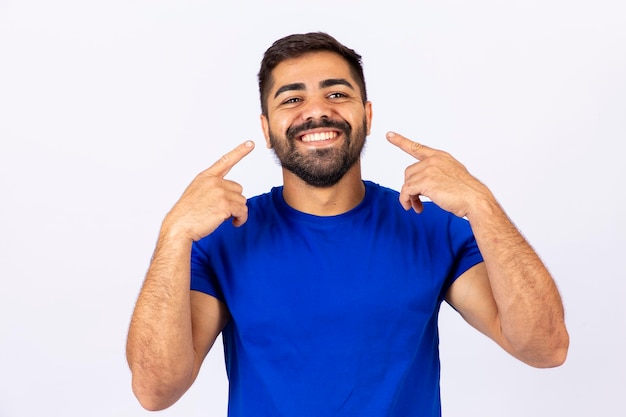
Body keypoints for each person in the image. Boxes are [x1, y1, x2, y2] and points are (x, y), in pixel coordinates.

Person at [126, 32, 569, 416]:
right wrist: (175, 232)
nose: (316, 111)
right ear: (267, 128)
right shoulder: (222, 239)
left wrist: (481, 203)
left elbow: (545, 348)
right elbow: (155, 391)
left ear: (367, 115)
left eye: (336, 94)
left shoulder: (432, 227)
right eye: (292, 98)